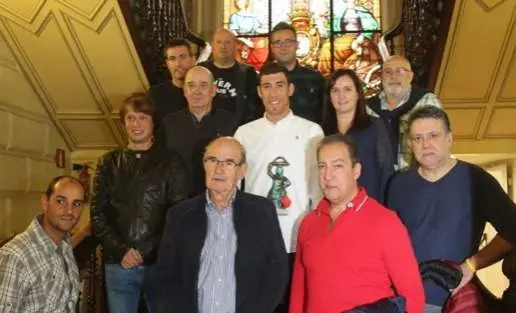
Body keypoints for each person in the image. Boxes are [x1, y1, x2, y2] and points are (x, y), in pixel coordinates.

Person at [387, 106, 516, 312]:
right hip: (404, 300)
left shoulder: (476, 179)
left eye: (433, 136)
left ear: (449, 138)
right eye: (417, 138)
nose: (425, 144)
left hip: (454, 301)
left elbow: (512, 228)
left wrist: (472, 265)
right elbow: (388, 241)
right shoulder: (398, 184)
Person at [289, 134, 425, 313]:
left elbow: (413, 299)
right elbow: (299, 294)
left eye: (338, 166)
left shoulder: (386, 222)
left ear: (356, 170)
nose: (327, 176)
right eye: (322, 166)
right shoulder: (309, 223)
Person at [155, 136, 288, 313]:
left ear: (242, 171)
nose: (219, 169)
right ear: (204, 165)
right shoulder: (180, 214)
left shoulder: (261, 211)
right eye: (212, 160)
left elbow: (276, 270)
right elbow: (166, 275)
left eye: (228, 163)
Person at [234, 62, 323, 313]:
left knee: (296, 305)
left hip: (297, 236)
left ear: (291, 89)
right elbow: (236, 188)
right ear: (259, 91)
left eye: (280, 86)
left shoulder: (311, 131)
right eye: (267, 86)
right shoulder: (244, 134)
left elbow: (318, 187)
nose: (273, 93)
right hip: (256, 236)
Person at [91, 92, 189, 313]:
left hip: (160, 263)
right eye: (131, 118)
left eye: (143, 117)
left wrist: (146, 251)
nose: (136, 124)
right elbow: (98, 213)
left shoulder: (171, 162)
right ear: (123, 123)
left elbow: (179, 215)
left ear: (153, 122)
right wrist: (122, 250)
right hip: (119, 263)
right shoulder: (108, 163)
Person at [0, 176, 86, 312]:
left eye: (77, 204)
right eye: (60, 201)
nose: (69, 211)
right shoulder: (16, 256)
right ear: (45, 202)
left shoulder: (64, 246)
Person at [162, 66, 239, 195]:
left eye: (203, 86)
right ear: (184, 91)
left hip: (220, 197)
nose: (196, 91)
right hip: (178, 200)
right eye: (191, 86)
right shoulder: (168, 123)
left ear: (214, 90)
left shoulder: (231, 123)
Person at [323, 69, 393, 202]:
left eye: (347, 89)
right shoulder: (321, 131)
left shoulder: (374, 127)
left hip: (368, 207)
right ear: (329, 96)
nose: (341, 96)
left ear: (357, 94)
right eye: (335, 90)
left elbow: (386, 171)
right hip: (332, 207)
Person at [367, 55, 442, 169]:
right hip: (378, 178)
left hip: (417, 175)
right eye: (387, 72)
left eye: (400, 71)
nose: (393, 76)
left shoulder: (426, 101)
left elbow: (438, 141)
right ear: (381, 77)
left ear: (410, 76)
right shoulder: (368, 108)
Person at [199, 28, 261, 124]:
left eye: (227, 42)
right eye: (219, 42)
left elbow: (256, 107)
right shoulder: (201, 70)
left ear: (236, 45)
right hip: (205, 129)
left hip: (238, 131)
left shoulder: (248, 73)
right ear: (213, 45)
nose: (223, 46)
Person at [269, 22, 325, 124]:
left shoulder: (315, 79)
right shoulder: (263, 80)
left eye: (288, 41)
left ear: (297, 45)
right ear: (272, 48)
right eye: (278, 42)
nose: (283, 47)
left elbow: (324, 115)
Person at [148, 39, 195, 124]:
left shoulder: (203, 93)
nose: (178, 64)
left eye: (182, 57)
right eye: (172, 59)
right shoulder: (155, 94)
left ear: (192, 59)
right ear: (167, 63)